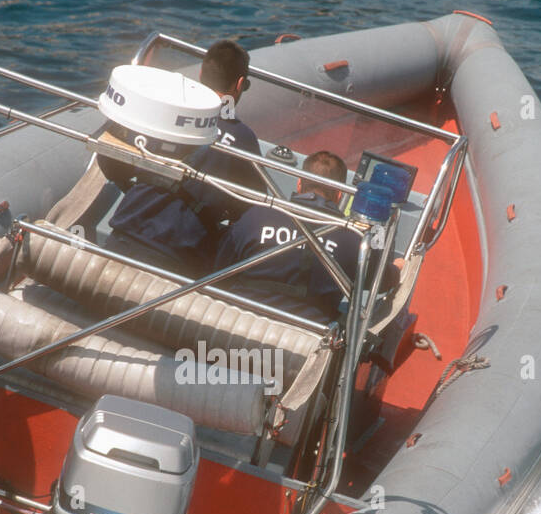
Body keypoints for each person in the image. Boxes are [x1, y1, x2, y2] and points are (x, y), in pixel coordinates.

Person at [107, 40, 262, 272]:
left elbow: (111, 160)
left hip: (122, 233)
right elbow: (252, 211)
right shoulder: (242, 138)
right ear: (239, 85)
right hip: (175, 260)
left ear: (201, 74)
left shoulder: (165, 113)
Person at [214, 150, 372, 318]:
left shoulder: (255, 215)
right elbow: (379, 281)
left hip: (234, 323)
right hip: (306, 336)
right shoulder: (353, 240)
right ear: (340, 195)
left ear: (299, 184)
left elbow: (220, 268)